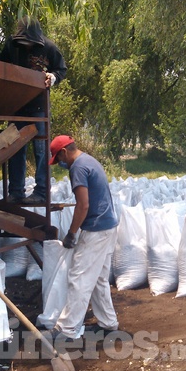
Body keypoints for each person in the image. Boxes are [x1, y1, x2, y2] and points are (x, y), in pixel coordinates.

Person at [47, 135, 120, 340]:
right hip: (108, 225)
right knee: (98, 279)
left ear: (63, 152)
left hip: (96, 230)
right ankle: (108, 324)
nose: (60, 163)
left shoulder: (77, 167)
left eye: (58, 159)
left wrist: (71, 233)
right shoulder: (89, 160)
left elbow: (83, 205)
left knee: (79, 277)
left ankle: (66, 329)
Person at [0, 17, 67, 204]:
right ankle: (16, 191)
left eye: (28, 43)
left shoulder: (49, 47)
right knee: (15, 149)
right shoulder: (12, 45)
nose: (25, 46)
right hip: (16, 105)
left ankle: (41, 193)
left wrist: (53, 77)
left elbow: (61, 69)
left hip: (39, 106)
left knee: (41, 149)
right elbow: (1, 61)